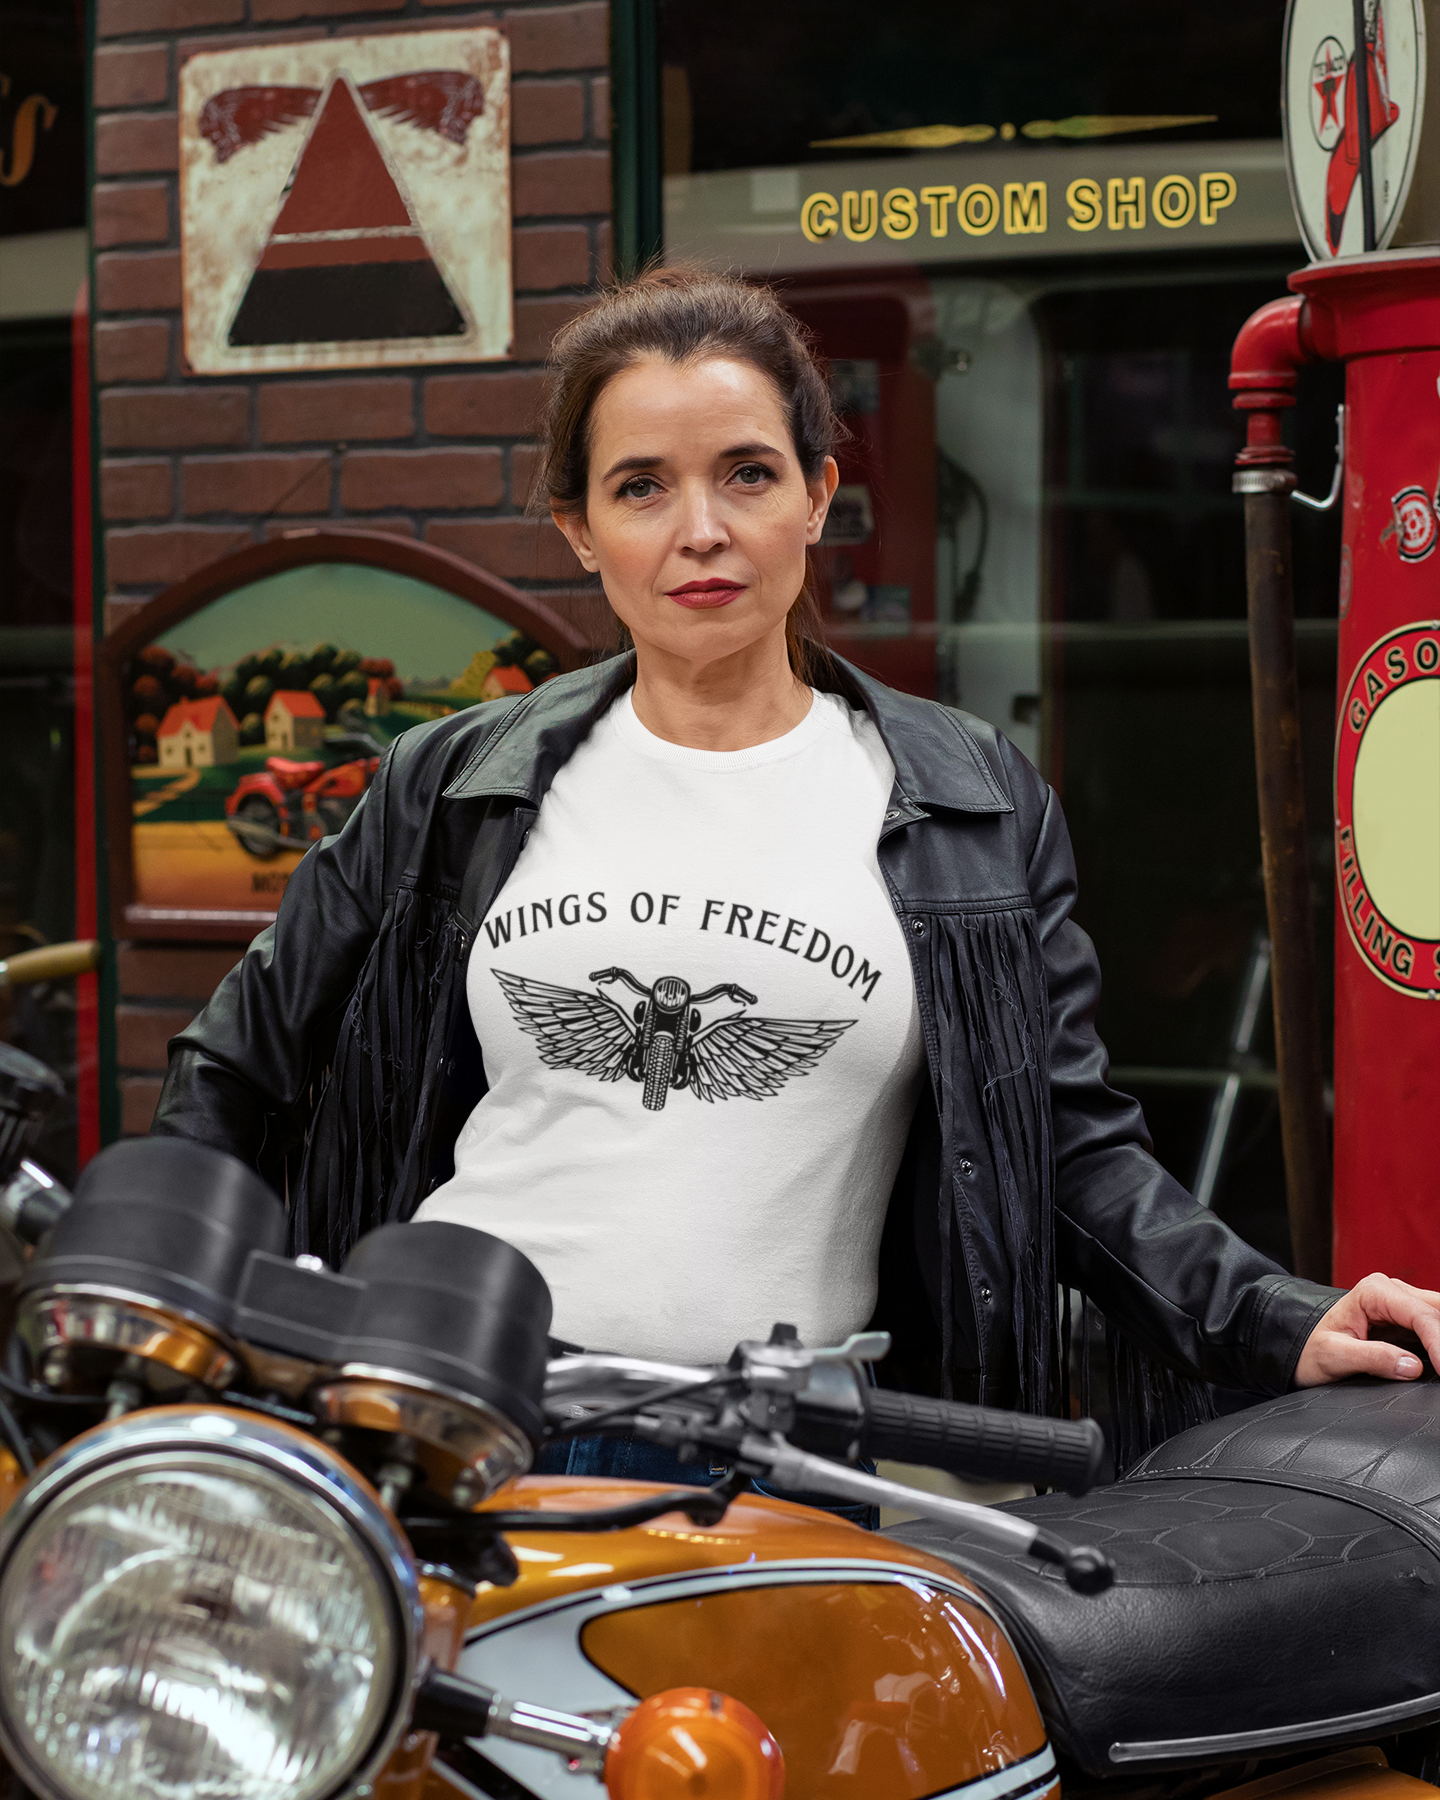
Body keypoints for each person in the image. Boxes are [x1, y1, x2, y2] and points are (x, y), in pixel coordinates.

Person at [153, 269, 1440, 1498]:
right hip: (454, 1417)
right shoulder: (451, 785)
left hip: (779, 1457)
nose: (701, 530)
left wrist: (1276, 1314)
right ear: (579, 530)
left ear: (818, 495)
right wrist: (174, 1319)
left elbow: (1063, 1148)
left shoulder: (968, 801)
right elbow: (233, 1066)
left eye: (748, 473)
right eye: (641, 487)